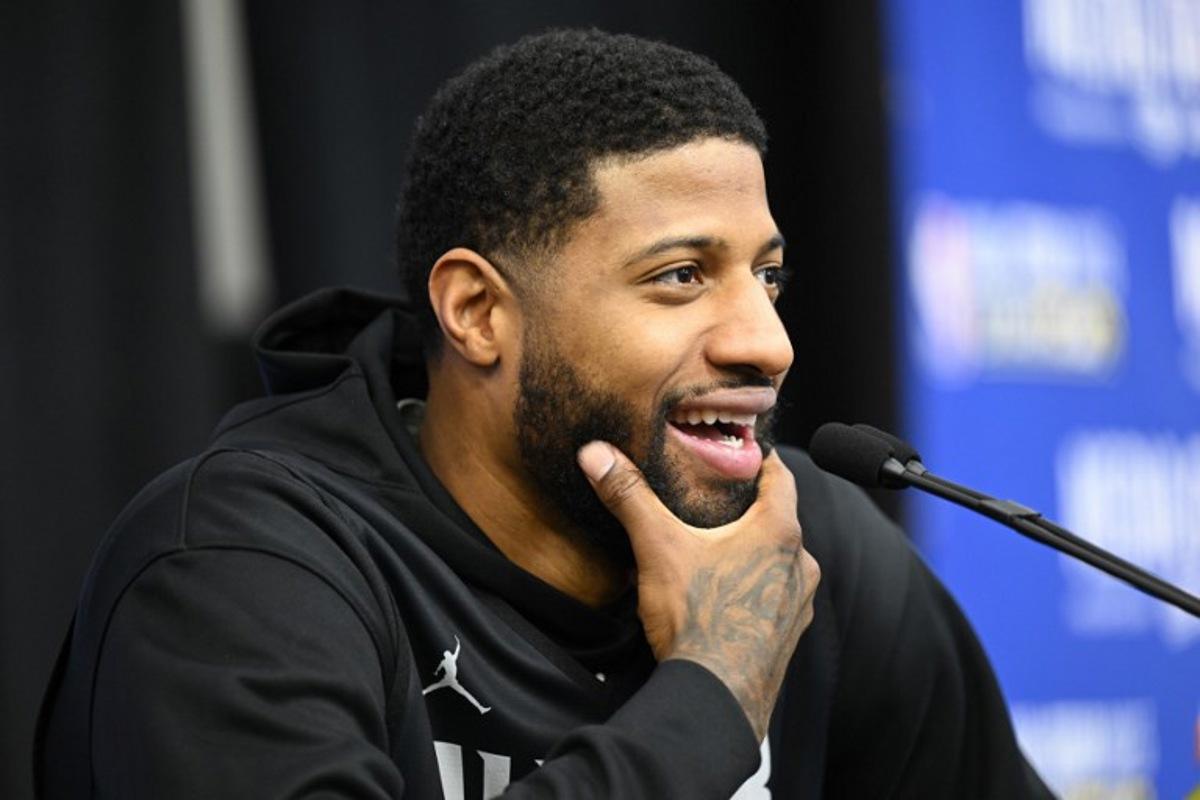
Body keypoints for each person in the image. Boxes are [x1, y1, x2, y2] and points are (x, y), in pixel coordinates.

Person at [35, 29, 1052, 798]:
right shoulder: (235, 568)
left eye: (768, 277)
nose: (768, 343)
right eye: (682, 275)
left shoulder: (798, 548)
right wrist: (714, 688)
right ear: (478, 311)